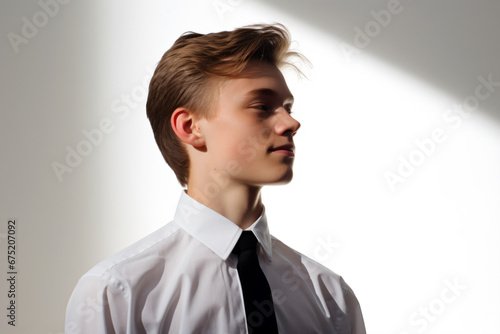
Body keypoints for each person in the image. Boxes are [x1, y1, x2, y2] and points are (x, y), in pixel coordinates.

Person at [65, 23, 366, 334]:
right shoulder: (117, 295)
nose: (292, 122)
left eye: (287, 107)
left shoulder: (331, 298)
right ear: (191, 127)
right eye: (262, 106)